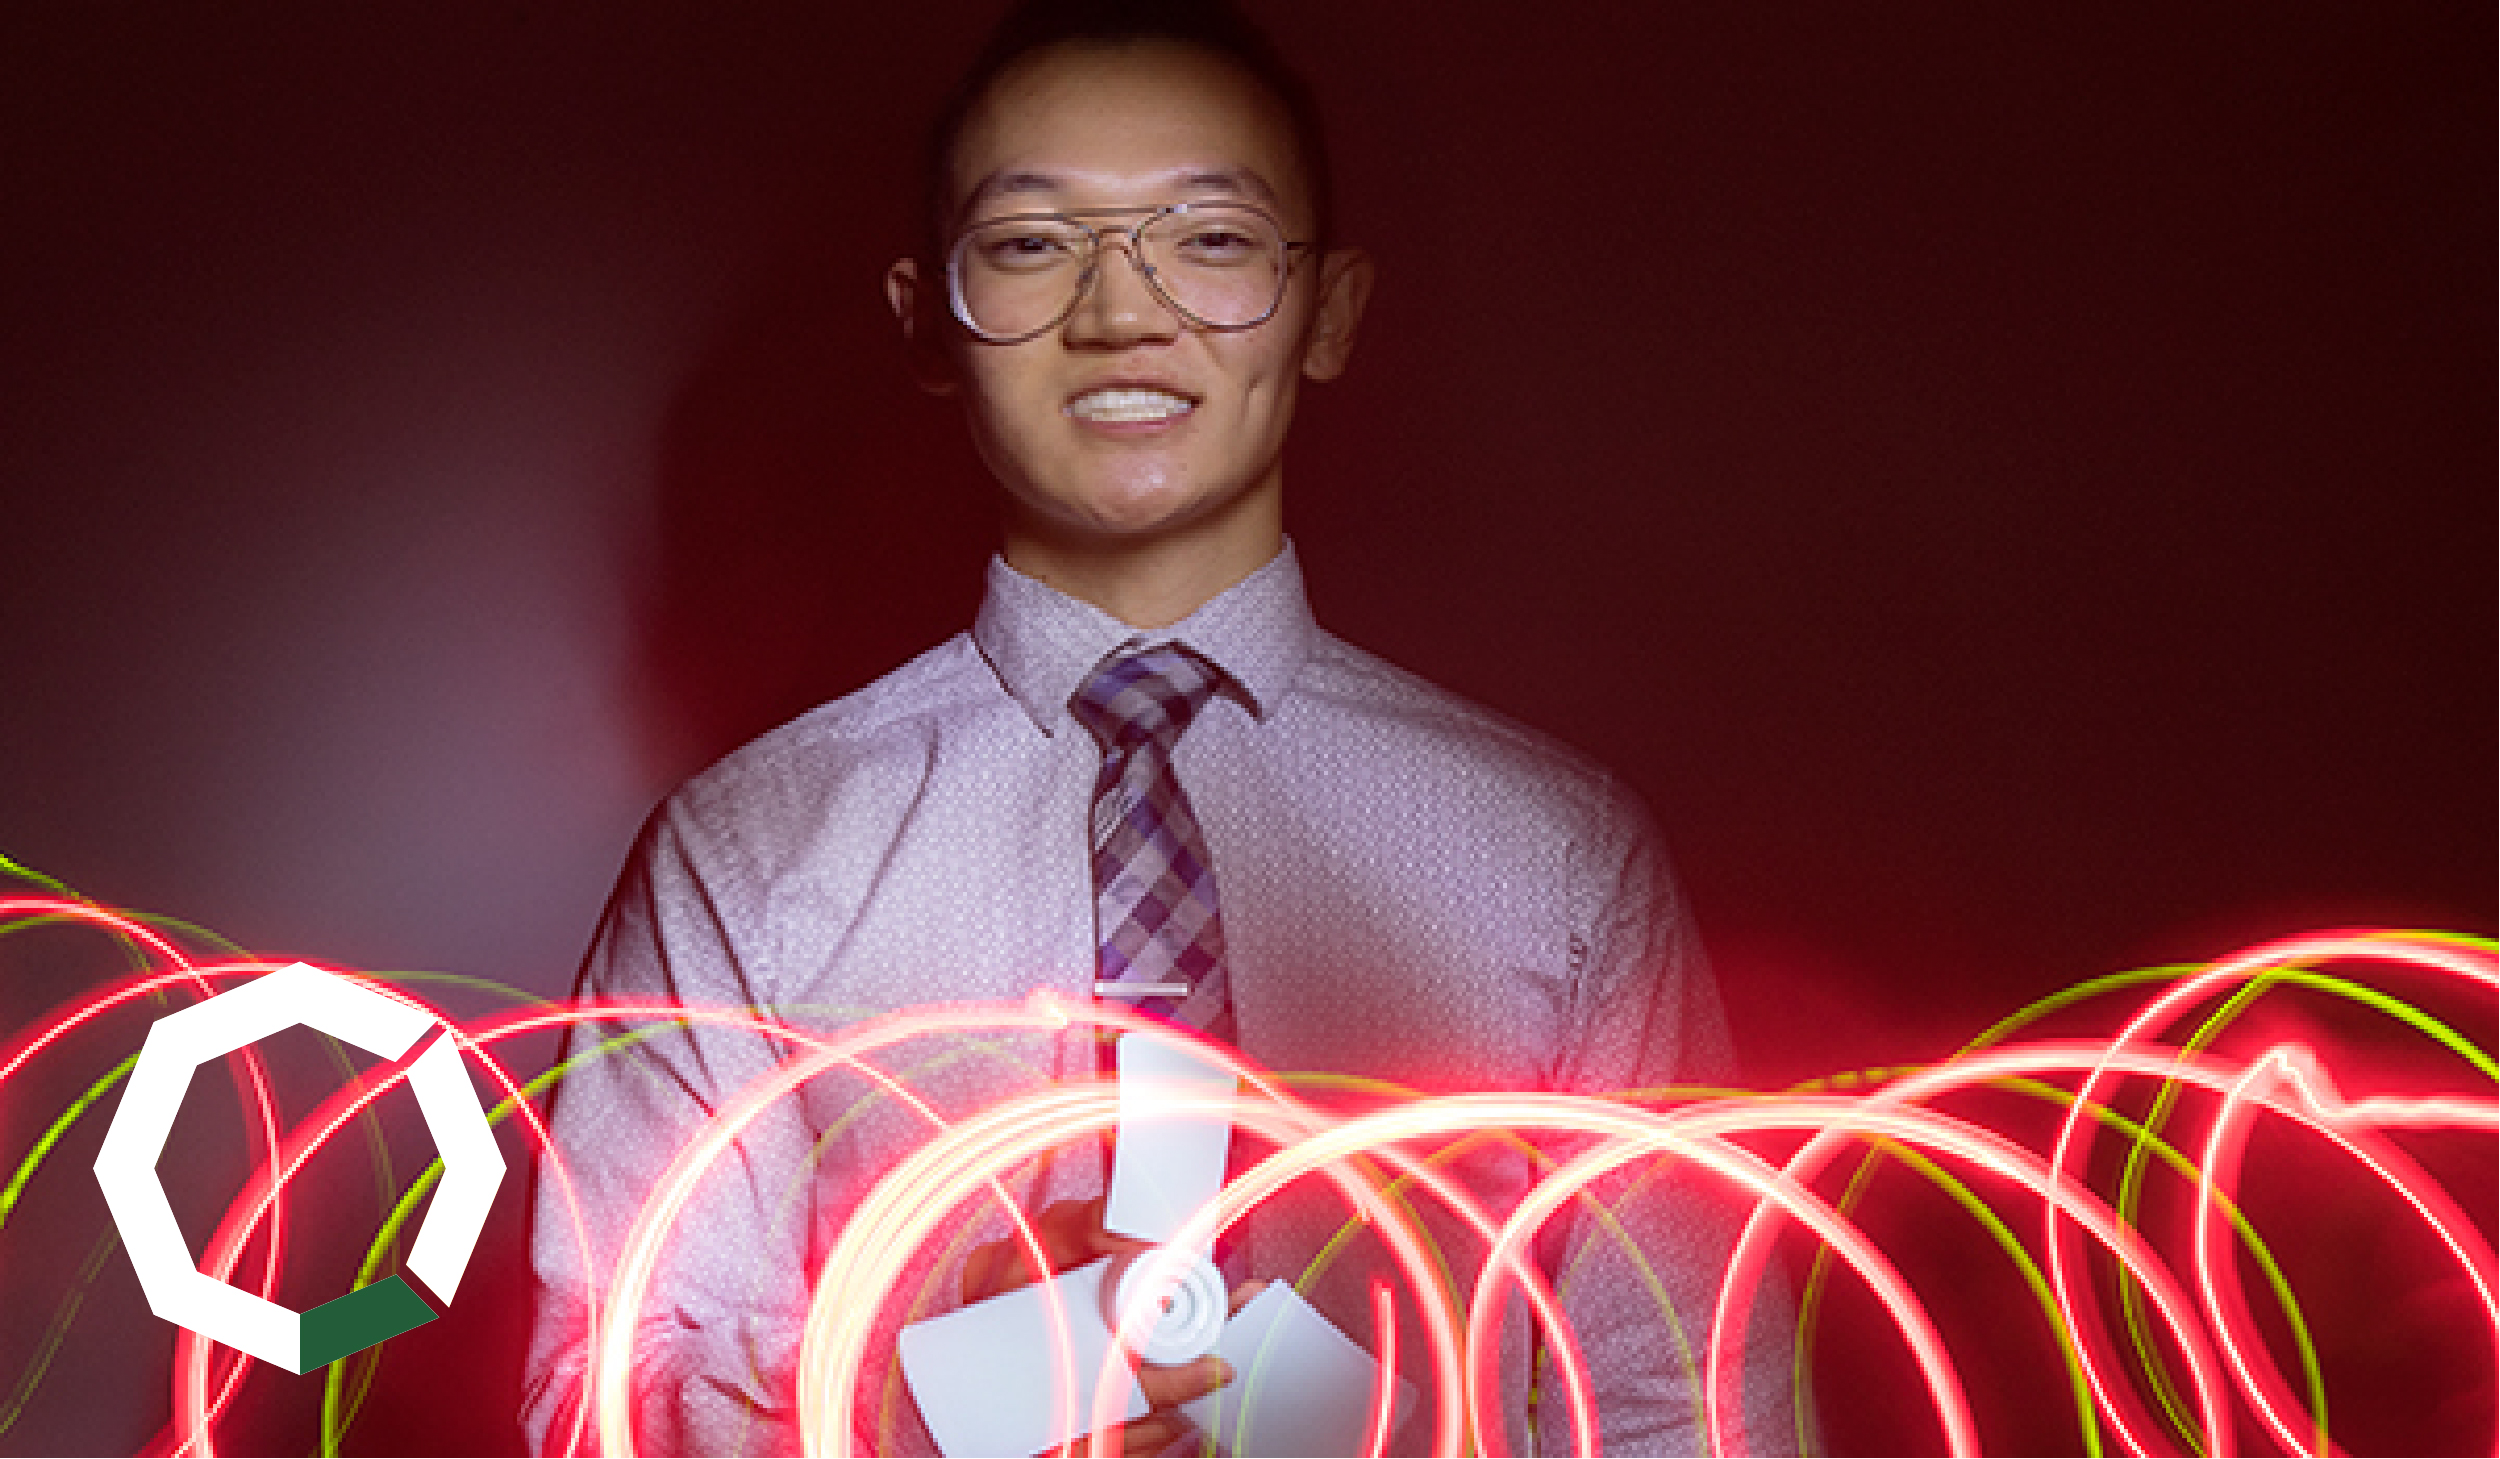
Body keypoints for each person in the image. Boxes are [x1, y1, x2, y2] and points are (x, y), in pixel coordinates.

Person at [523, 1, 1791, 1453]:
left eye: (1211, 238)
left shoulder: (1554, 859)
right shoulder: (745, 858)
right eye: (1029, 243)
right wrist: (907, 1399)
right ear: (927, 319)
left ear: (1330, 313)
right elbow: (594, 1394)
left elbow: (1684, 1402)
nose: (1122, 312)